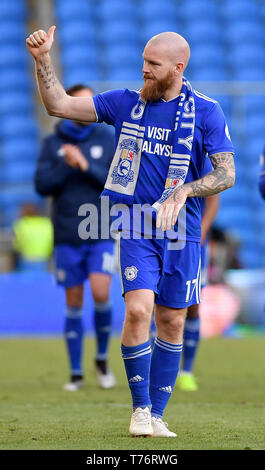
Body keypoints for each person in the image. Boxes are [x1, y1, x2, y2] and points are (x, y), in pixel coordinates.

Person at [26, 27, 235, 437]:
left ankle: (157, 414)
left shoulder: (207, 111)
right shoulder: (124, 102)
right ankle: (140, 411)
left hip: (182, 231)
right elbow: (58, 105)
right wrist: (43, 60)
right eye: (143, 60)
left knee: (172, 322)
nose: (144, 69)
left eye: (153, 65)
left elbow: (227, 172)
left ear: (177, 68)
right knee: (139, 310)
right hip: (136, 224)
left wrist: (186, 190)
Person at [35, 84, 116, 391]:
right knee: (73, 300)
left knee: (100, 291)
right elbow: (42, 185)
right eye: (79, 102)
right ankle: (76, 372)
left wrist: (85, 165)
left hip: (99, 227)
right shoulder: (53, 142)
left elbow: (116, 181)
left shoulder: (107, 138)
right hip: (67, 231)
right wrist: (65, 166)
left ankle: (101, 357)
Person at [177, 159, 219, 392]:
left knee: (192, 304)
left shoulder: (197, 158)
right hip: (160, 237)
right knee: (156, 303)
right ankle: (157, 368)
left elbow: (213, 199)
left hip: (191, 241)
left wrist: (201, 232)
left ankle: (187, 371)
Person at [13, 202, 53, 272]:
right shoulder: (47, 223)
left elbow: (17, 244)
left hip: (26, 259)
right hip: (44, 259)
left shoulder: (21, 224)